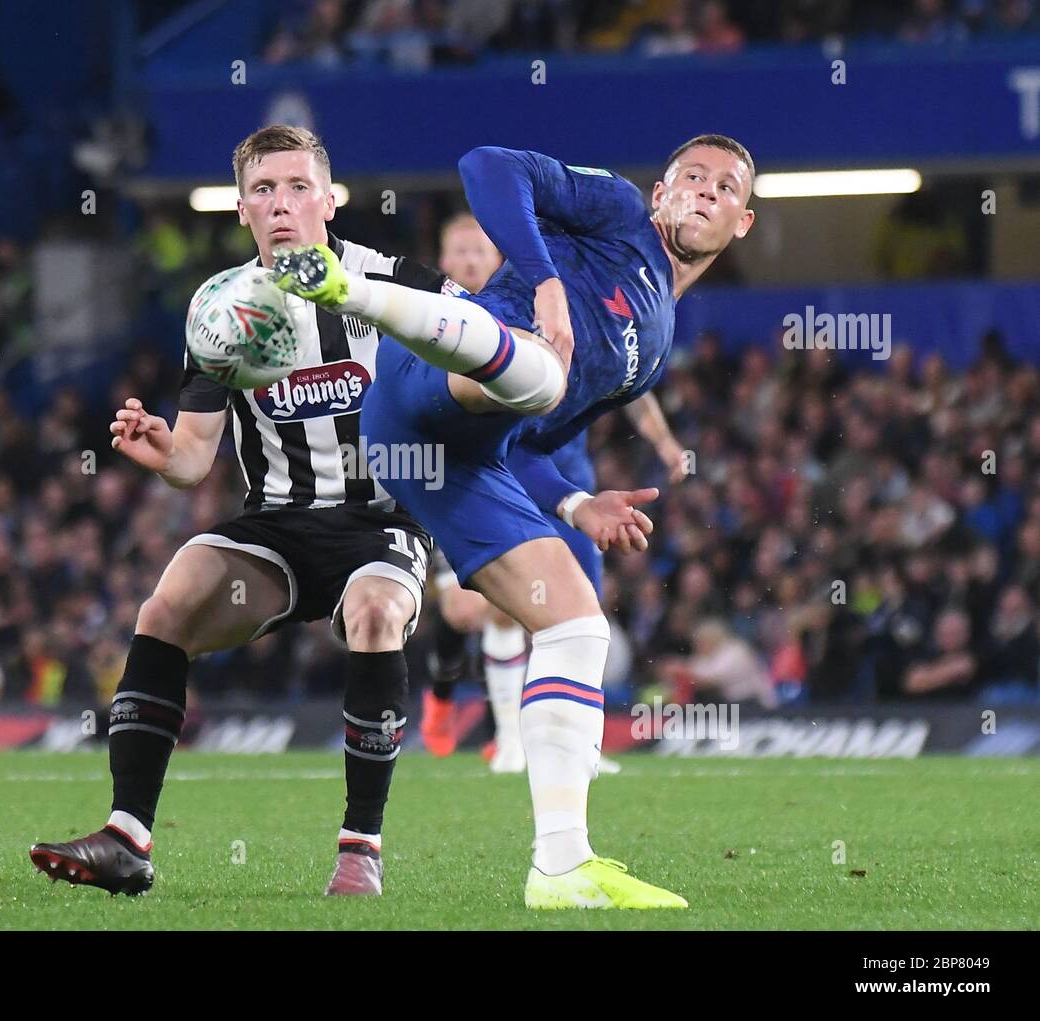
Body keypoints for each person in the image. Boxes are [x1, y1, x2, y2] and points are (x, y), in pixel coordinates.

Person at [273, 136, 755, 909]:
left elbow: (528, 445)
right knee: (537, 367)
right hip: (417, 384)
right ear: (661, 190)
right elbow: (484, 167)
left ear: (742, 222)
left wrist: (573, 503)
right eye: (690, 176)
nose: (703, 191)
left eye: (723, 187)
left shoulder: (656, 344)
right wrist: (545, 282)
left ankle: (561, 866)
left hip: (450, 458)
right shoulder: (620, 213)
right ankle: (347, 289)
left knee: (577, 624)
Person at [30, 125, 450, 898]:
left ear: (329, 199)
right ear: (242, 208)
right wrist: (164, 452)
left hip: (382, 523)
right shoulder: (221, 308)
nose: (281, 204)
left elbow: (490, 360)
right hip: (279, 528)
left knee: (375, 609)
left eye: (297, 187)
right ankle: (127, 836)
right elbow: (195, 458)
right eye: (263, 190)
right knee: (171, 598)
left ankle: (360, 848)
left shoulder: (398, 281)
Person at [423, 214, 688, 772]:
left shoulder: (542, 307)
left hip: (566, 478)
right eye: (460, 250)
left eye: (481, 248)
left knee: (580, 616)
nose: (471, 260)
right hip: (480, 474)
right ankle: (473, 713)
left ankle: (578, 749)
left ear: (499, 257)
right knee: (481, 610)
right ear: (444, 260)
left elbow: (627, 375)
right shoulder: (436, 321)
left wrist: (664, 443)